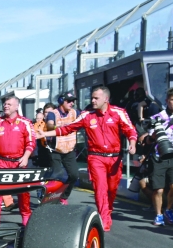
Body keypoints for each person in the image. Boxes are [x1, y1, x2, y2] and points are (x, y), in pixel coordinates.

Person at [37, 85, 137, 231]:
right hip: (96, 158)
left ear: (106, 99)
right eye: (92, 98)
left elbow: (130, 130)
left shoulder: (118, 112)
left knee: (112, 189)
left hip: (115, 158)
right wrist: (45, 134)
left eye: (96, 98)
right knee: (100, 189)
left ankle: (107, 210)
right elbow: (67, 128)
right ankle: (104, 219)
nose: (93, 100)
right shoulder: (86, 115)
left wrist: (132, 143)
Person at [0, 94, 36, 225]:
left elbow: (31, 142)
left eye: (9, 104)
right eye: (5, 104)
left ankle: (26, 215)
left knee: (24, 192)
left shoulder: (25, 123)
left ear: (16, 106)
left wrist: (26, 157)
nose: (5, 106)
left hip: (18, 162)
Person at [146, 87, 173, 226]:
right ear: (167, 101)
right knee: (158, 189)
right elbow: (149, 138)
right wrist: (154, 135)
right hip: (160, 156)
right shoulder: (157, 117)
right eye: (172, 100)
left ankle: (168, 209)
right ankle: (158, 214)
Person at [45, 92, 80, 200]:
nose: (72, 103)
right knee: (57, 175)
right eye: (69, 101)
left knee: (74, 175)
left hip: (69, 150)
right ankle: (50, 198)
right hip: (56, 149)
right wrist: (59, 126)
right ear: (61, 101)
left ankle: (63, 197)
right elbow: (50, 125)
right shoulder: (53, 113)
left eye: (73, 101)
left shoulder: (75, 113)